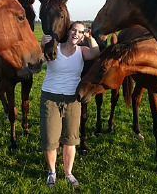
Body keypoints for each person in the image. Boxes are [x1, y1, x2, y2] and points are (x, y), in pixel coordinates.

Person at [40, 21, 100, 188]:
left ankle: (68, 173)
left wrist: (90, 37)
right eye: (74, 30)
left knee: (70, 140)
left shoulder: (82, 51)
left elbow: (96, 53)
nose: (76, 33)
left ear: (82, 36)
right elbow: (37, 63)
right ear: (68, 32)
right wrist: (41, 46)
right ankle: (52, 172)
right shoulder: (54, 48)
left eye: (80, 32)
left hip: (73, 100)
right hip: (50, 99)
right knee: (50, 140)